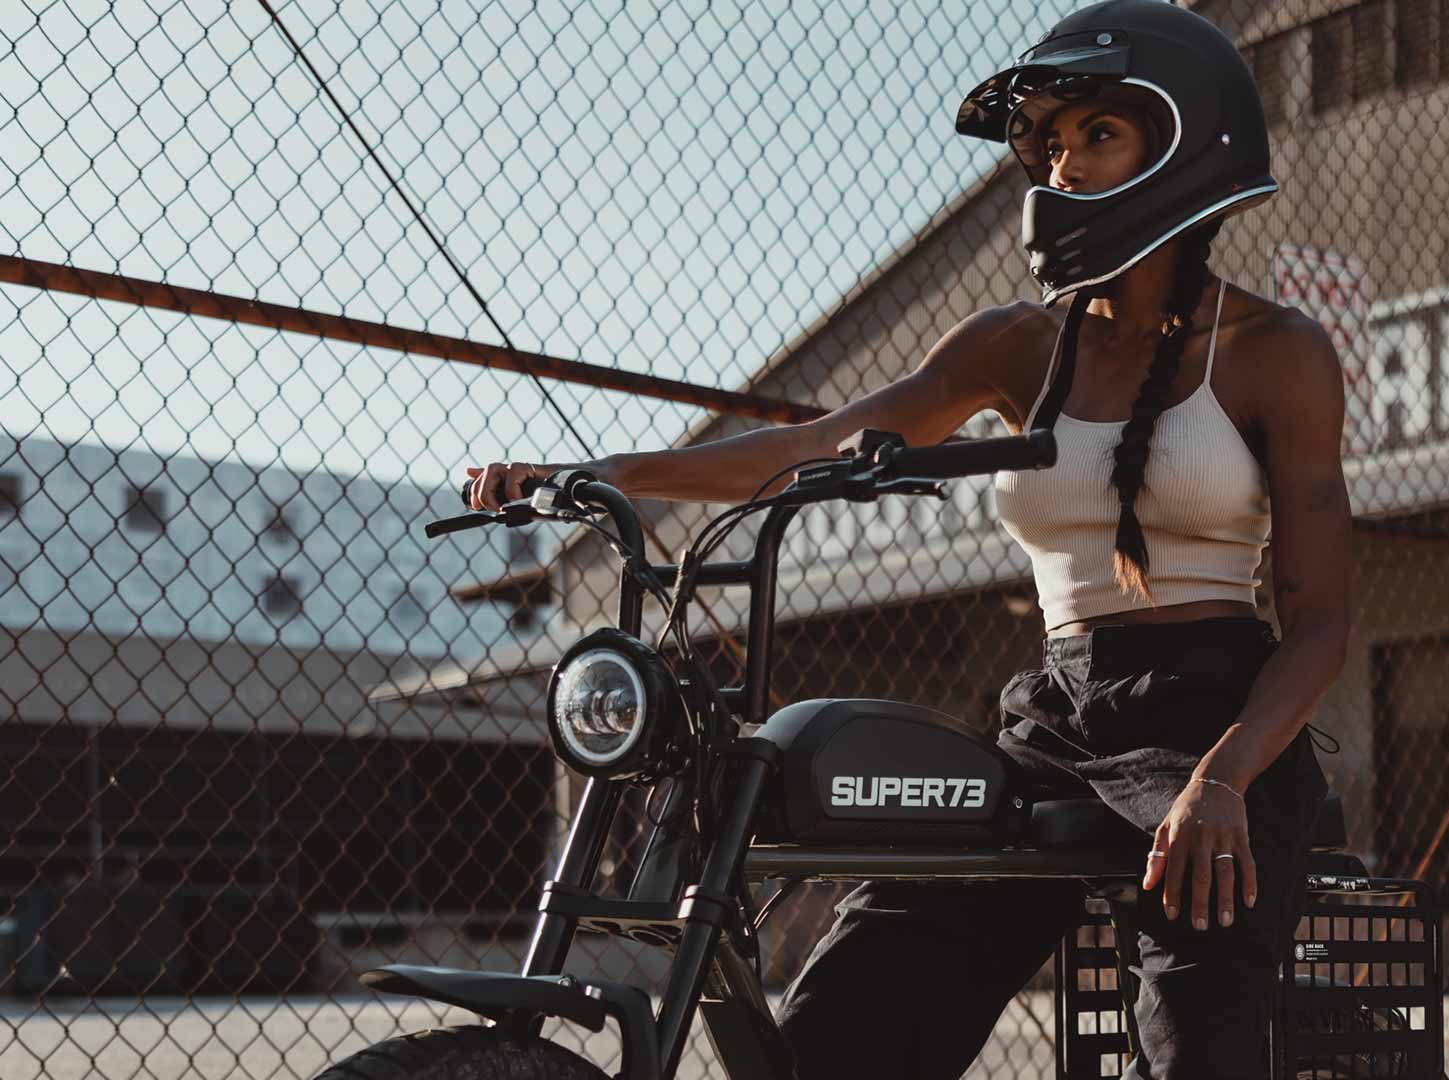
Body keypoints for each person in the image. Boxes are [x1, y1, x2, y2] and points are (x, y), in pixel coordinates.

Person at [467, 2, 1352, 1075]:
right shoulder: (1011, 346)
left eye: (1098, 136)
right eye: (1055, 146)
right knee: (860, 1004)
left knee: (1196, 1048)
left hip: (1216, 716)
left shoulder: (1276, 352)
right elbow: (815, 445)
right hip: (1057, 716)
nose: (1065, 169)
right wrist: (600, 476)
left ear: (1184, 144)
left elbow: (1317, 625)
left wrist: (1225, 781)